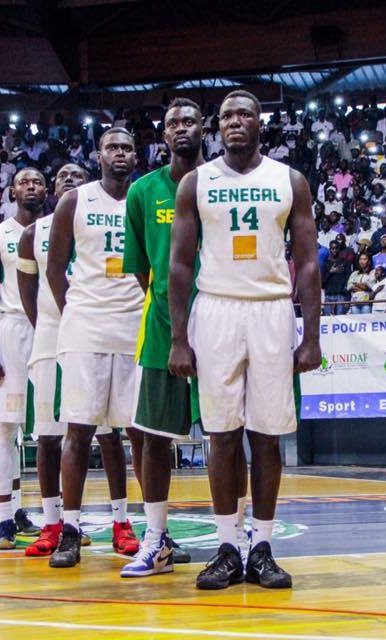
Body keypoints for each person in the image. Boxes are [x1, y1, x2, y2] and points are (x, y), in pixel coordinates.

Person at [168, 90, 322, 590]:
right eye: (228, 115)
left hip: (272, 311)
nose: (236, 122)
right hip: (215, 310)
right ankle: (228, 545)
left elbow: (309, 261)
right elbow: (179, 264)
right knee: (221, 433)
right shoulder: (196, 181)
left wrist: (311, 335)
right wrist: (179, 338)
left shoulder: (289, 180)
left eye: (245, 114)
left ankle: (263, 547)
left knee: (267, 433)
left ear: (261, 123)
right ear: (218, 126)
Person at [122, 99, 233, 576]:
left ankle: (233, 536)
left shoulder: (225, 183)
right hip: (164, 324)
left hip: (221, 317)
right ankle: (155, 538)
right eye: (173, 123)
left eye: (189, 121)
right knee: (152, 436)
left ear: (203, 129)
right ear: (162, 134)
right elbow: (143, 270)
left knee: (226, 433)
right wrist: (174, 312)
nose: (181, 129)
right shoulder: (143, 191)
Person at [45, 128, 143, 568]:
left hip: (133, 324)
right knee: (80, 429)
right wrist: (76, 310)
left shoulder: (144, 197)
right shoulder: (75, 200)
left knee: (136, 431)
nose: (119, 154)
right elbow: (53, 270)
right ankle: (70, 528)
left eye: (126, 148)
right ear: (98, 155)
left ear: (135, 156)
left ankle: (130, 524)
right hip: (86, 324)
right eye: (112, 148)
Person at [16, 162, 105, 557]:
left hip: (96, 330)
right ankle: (53, 523)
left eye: (77, 177)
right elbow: (27, 289)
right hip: (54, 334)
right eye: (63, 176)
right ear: (55, 188)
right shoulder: (36, 232)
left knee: (104, 432)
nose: (70, 180)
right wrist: (50, 325)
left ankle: (117, 521)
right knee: (50, 434)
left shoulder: (104, 220)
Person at [0, 168, 44, 549]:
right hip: (14, 331)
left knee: (60, 429)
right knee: (5, 428)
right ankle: (5, 518)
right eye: (24, 182)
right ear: (11, 191)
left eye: (37, 181)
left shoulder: (61, 227)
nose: (31, 187)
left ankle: (60, 520)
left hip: (53, 328)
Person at [321, 241, 352, 315]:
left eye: (336, 248)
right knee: (327, 320)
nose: (334, 250)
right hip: (328, 295)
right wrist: (331, 272)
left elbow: (348, 279)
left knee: (340, 318)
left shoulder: (345, 262)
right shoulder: (326, 263)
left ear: (339, 249)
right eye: (332, 248)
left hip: (341, 296)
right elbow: (322, 281)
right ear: (330, 249)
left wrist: (347, 298)